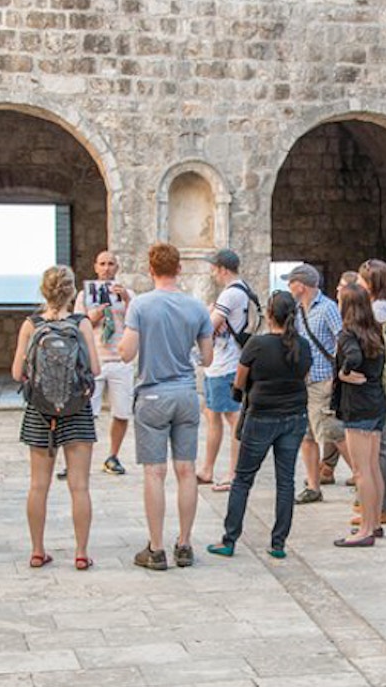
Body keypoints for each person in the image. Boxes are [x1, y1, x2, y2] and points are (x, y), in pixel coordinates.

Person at [118, 242, 213, 571]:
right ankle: (184, 544)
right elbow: (208, 358)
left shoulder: (141, 306)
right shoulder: (197, 307)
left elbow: (126, 353)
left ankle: (156, 548)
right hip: (186, 393)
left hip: (153, 394)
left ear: (150, 269)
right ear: (179, 269)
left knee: (154, 473)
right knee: (186, 471)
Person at [206, 291, 311, 560]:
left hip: (262, 416)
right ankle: (278, 543)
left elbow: (240, 381)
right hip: (294, 416)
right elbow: (306, 376)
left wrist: (239, 394)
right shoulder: (302, 345)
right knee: (285, 480)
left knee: (243, 478)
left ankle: (229, 539)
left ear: (269, 314)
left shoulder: (257, 344)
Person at [13, 266, 102, 570]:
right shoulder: (82, 324)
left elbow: (16, 373)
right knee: (79, 486)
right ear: (72, 291)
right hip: (77, 410)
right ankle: (80, 552)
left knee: (38, 485)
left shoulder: (31, 325)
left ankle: (37, 550)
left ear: (43, 290)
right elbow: (96, 369)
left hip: (40, 412)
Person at [332, 283, 386, 547]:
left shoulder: (348, 334)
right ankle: (374, 523)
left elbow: (351, 357)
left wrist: (345, 373)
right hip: (377, 405)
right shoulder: (377, 330)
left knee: (362, 471)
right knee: (373, 467)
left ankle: (364, 530)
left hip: (359, 408)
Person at [61, 250, 133, 480]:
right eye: (102, 263)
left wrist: (128, 301)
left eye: (111, 263)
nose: (106, 268)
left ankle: (113, 456)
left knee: (122, 413)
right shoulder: (85, 295)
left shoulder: (128, 294)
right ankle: (79, 460)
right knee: (86, 414)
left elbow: (136, 323)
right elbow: (77, 325)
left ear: (117, 267)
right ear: (95, 267)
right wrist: (95, 316)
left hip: (120, 359)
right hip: (95, 359)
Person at [284, 264, 346, 505]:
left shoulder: (328, 308)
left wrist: (337, 375)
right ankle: (313, 486)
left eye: (290, 283)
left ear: (300, 285)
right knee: (306, 436)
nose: (289, 288)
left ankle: (362, 479)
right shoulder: (298, 310)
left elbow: (342, 339)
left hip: (323, 381)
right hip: (303, 382)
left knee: (333, 433)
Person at [198, 248, 252, 491]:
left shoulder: (230, 295)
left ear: (222, 269)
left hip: (226, 365)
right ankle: (207, 468)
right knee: (212, 416)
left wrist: (209, 312)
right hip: (220, 364)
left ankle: (233, 474)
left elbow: (208, 327)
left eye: (214, 267)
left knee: (233, 418)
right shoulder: (242, 291)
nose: (212, 272)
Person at [355, 259, 386, 530]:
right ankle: (373, 506)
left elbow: (373, 343)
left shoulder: (379, 309)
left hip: (374, 383)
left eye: (362, 280)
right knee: (378, 447)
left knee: (379, 448)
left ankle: (378, 509)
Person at [320, 270, 360, 487]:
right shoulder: (341, 313)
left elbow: (350, 350)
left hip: (344, 382)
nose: (337, 289)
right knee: (330, 421)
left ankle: (357, 470)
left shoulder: (350, 320)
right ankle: (326, 468)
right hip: (335, 378)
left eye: (342, 286)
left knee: (333, 425)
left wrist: (343, 372)